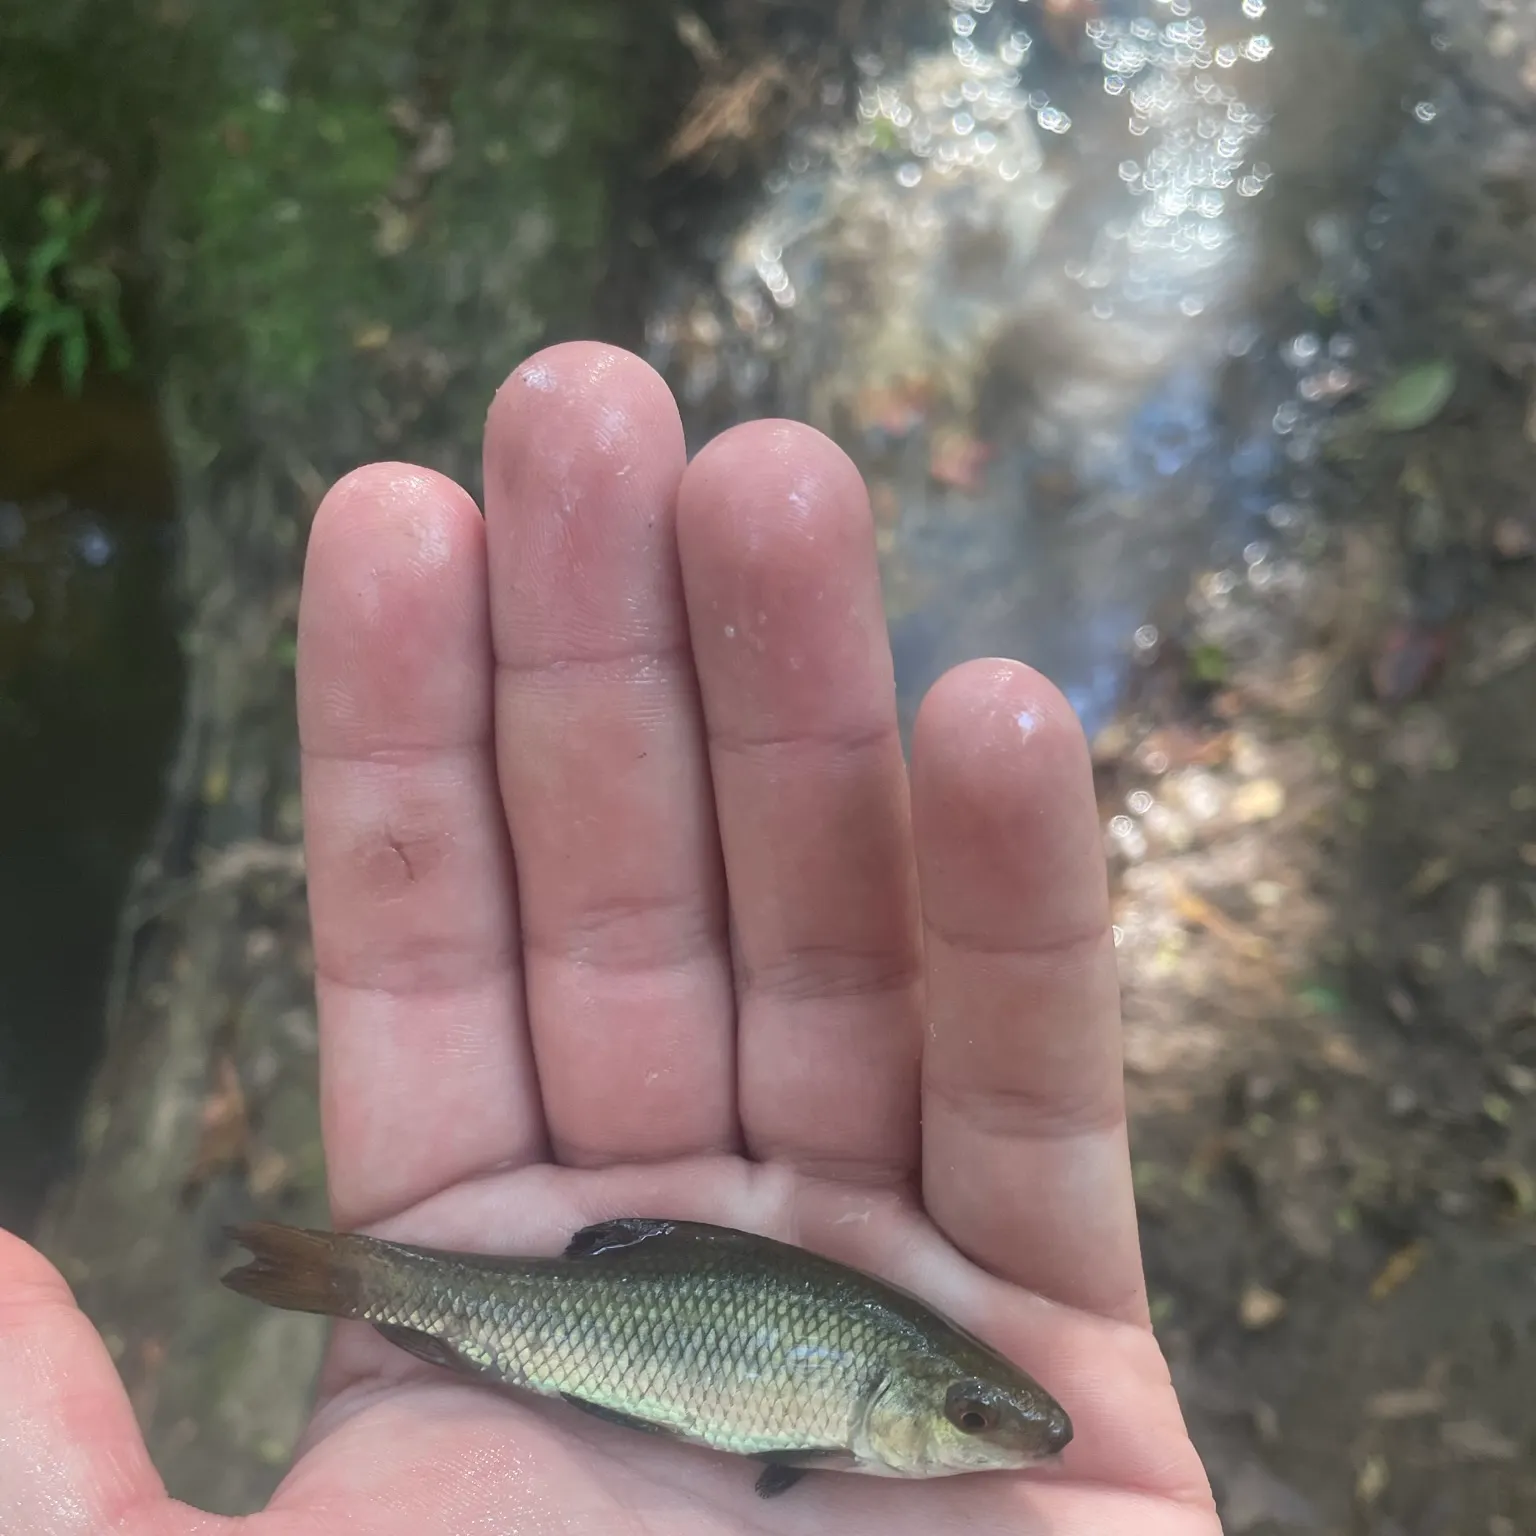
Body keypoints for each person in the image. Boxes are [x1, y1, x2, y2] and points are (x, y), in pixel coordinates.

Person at [0, 343, 1219, 1534]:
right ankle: (354, 1271)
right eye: (968, 1417)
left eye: (973, 1422)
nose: (985, 1439)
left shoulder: (899, 1407)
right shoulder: (859, 1388)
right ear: (903, 1399)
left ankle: (354, 1272)